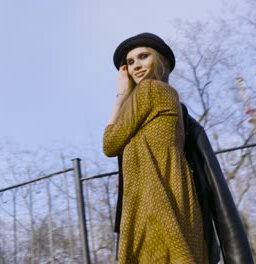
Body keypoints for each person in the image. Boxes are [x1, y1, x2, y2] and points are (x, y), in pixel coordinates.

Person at [103, 32, 253, 264]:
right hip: (176, 198)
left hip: (156, 200)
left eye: (143, 56)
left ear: (160, 60)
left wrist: (121, 94)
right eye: (130, 62)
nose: (136, 66)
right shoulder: (167, 98)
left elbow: (109, 144)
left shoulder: (150, 90)